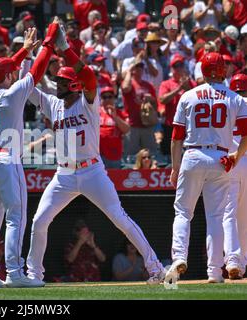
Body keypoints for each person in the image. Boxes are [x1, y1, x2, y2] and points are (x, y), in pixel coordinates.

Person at [24, 23, 165, 286]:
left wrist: (65, 50)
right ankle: (34, 275)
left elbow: (88, 77)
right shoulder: (53, 104)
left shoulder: (88, 102)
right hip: (64, 174)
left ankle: (155, 267)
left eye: (63, 81)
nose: (58, 84)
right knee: (40, 220)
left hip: (92, 171)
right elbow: (29, 89)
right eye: (57, 81)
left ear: (74, 84)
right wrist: (28, 54)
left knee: (119, 219)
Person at [0, 21, 57, 288]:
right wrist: (48, 43)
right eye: (11, 72)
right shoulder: (12, 94)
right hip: (6, 161)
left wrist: (23, 51)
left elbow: (6, 68)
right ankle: (14, 273)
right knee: (16, 216)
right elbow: (37, 71)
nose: (13, 73)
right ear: (8, 76)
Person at [166, 52, 247, 284]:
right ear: (223, 71)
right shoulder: (235, 98)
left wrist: (175, 167)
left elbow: (176, 137)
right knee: (216, 217)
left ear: (202, 70)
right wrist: (236, 155)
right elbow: (245, 134)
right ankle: (214, 272)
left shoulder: (188, 95)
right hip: (220, 157)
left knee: (183, 212)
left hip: (192, 154)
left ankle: (179, 257)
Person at [223, 74, 247, 280]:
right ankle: (242, 263)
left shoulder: (226, 101)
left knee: (228, 214)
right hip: (246, 161)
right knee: (244, 216)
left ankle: (232, 260)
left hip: (231, 160)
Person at [158, 54, 196, 156]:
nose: (179, 68)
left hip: (189, 126)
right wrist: (179, 88)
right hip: (171, 125)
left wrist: (187, 88)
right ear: (172, 69)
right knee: (170, 154)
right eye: (176, 66)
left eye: (181, 65)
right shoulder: (166, 84)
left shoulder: (192, 83)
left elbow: (198, 100)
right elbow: (162, 100)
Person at [121, 58, 158, 155]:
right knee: (131, 156)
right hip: (132, 125)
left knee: (150, 155)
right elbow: (125, 88)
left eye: (141, 66)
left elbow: (156, 104)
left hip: (147, 124)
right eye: (137, 66)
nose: (140, 69)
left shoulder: (148, 85)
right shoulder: (129, 83)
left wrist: (151, 99)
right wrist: (128, 71)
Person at [99, 86, 130, 169]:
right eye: (104, 97)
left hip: (114, 153)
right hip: (98, 154)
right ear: (101, 99)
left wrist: (115, 117)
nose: (107, 99)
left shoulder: (120, 113)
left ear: (114, 98)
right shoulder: (95, 113)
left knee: (114, 179)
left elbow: (126, 129)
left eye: (110, 97)